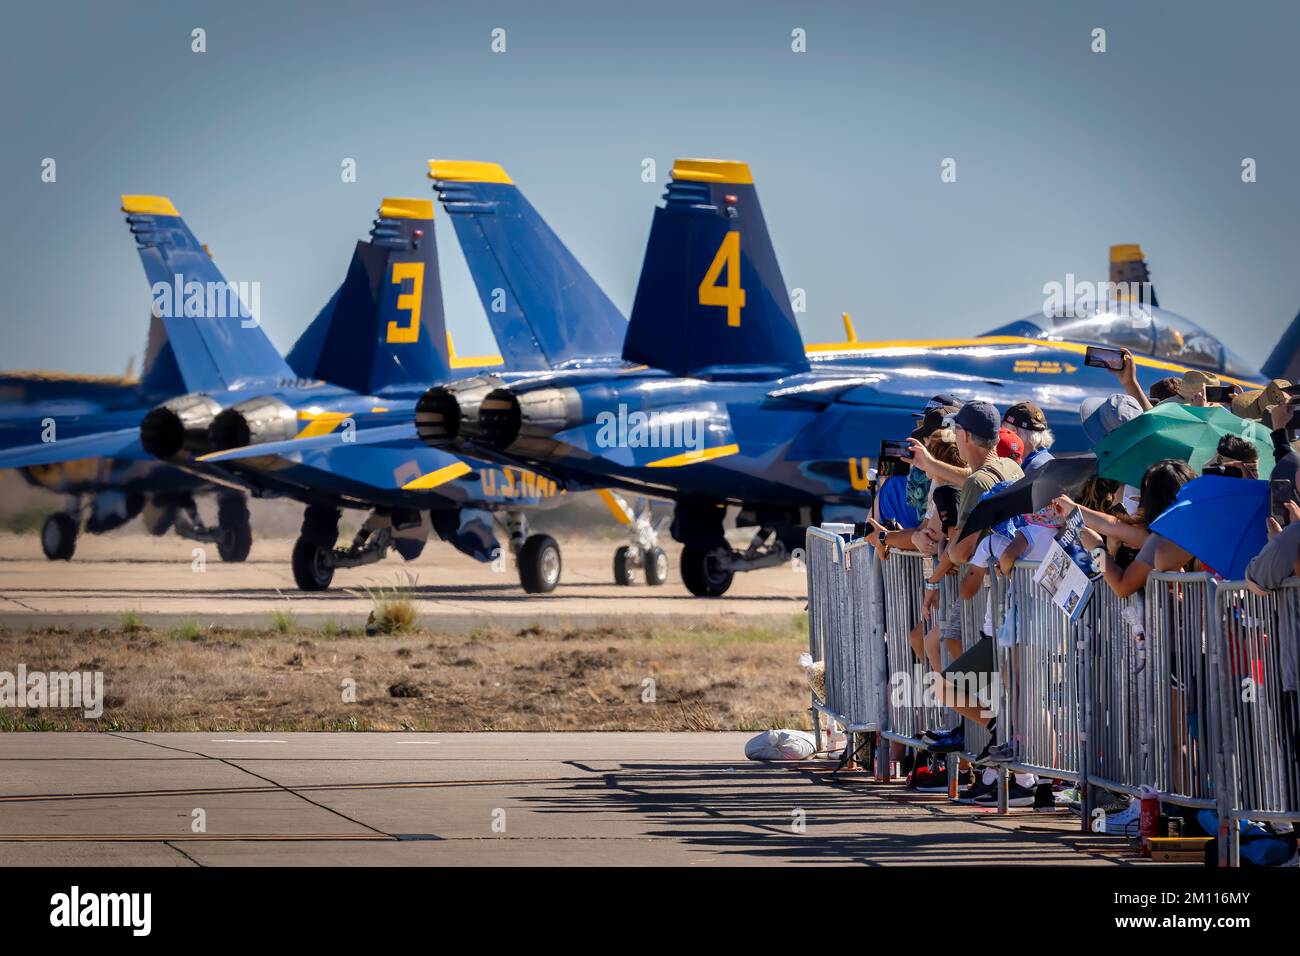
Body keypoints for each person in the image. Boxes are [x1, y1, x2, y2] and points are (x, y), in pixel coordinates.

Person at [1058, 458, 1196, 598]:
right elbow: (1109, 525)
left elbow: (1121, 587)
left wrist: (1097, 550)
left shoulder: (1161, 540)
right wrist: (1071, 508)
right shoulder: (1192, 526)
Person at [1002, 401, 1054, 473]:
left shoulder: (1034, 470)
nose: (1000, 436)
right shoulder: (1048, 462)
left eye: (1003, 429)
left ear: (1014, 433)